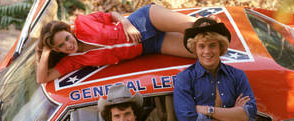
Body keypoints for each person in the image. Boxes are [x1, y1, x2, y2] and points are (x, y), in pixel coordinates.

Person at [36, 3, 198, 83]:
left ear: (69, 31)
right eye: (61, 46)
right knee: (198, 51)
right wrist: (45, 51)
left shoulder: (82, 23)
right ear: (56, 50)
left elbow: (111, 15)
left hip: (144, 20)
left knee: (199, 28)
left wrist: (126, 23)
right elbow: (43, 78)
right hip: (151, 46)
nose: (68, 45)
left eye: (66, 38)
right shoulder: (73, 61)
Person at [173, 17, 257, 121]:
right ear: (195, 49)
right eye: (201, 46)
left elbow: (249, 116)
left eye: (212, 45)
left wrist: (207, 111)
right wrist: (234, 115)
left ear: (221, 47)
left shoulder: (237, 76)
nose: (207, 51)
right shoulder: (184, 79)